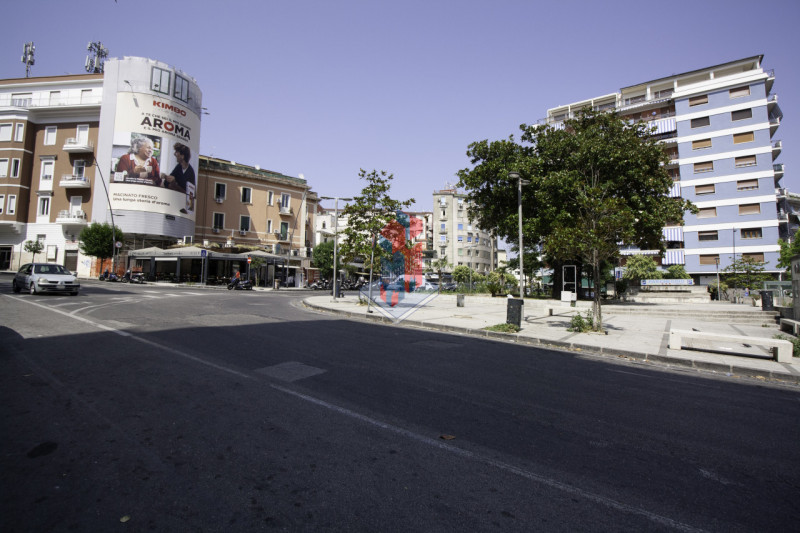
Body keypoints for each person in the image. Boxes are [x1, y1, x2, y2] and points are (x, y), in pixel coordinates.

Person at [161, 143, 196, 214]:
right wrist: (166, 177)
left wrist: (175, 184)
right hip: (173, 203)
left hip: (182, 210)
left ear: (182, 156)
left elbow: (190, 197)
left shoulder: (190, 172)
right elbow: (166, 183)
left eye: (176, 152)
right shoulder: (179, 167)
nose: (174, 154)